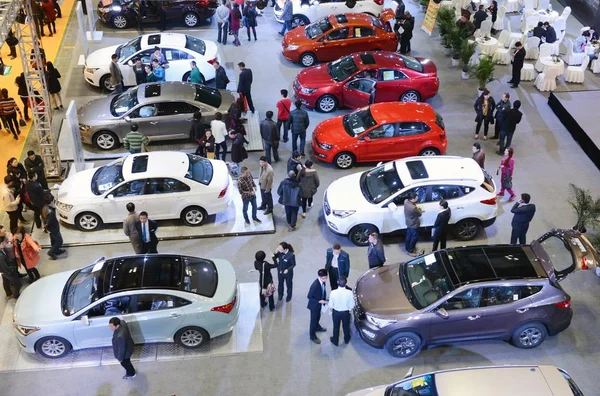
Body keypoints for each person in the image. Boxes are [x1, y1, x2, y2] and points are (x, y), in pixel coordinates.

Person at [328, 277, 354, 346]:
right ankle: (346, 339)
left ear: (337, 282)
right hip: (345, 313)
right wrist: (349, 310)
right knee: (346, 326)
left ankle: (335, 340)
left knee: (336, 327)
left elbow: (330, 305)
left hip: (336, 312)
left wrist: (330, 311)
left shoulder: (333, 292)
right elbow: (352, 305)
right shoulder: (350, 292)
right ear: (346, 283)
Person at [307, 269, 329, 344]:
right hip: (314, 305)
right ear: (319, 277)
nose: (325, 279)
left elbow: (322, 291)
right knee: (313, 321)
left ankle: (317, 327)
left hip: (319, 304)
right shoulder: (315, 285)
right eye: (324, 278)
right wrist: (319, 301)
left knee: (318, 317)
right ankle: (312, 336)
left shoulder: (322, 282)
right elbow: (309, 296)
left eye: (326, 277)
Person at [43, 195, 65, 260]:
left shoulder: (44, 208)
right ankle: (51, 252)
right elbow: (49, 222)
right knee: (59, 241)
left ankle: (56, 250)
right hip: (54, 229)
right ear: (52, 201)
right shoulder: (51, 212)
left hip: (50, 229)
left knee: (54, 240)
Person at [404, 191, 423, 257]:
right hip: (413, 224)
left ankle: (407, 247)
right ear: (412, 199)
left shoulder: (406, 201)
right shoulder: (413, 208)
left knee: (409, 235)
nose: (417, 198)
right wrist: (420, 209)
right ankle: (410, 250)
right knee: (414, 237)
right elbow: (419, 214)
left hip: (408, 222)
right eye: (416, 198)